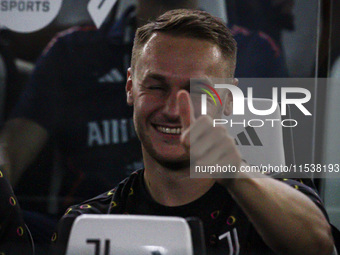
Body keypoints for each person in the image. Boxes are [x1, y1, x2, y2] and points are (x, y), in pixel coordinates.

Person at [51, 9, 334, 255]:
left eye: (196, 91)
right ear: (130, 87)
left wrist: (238, 176)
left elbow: (320, 245)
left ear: (228, 99)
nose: (174, 110)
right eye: (156, 87)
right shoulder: (90, 224)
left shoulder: (270, 202)